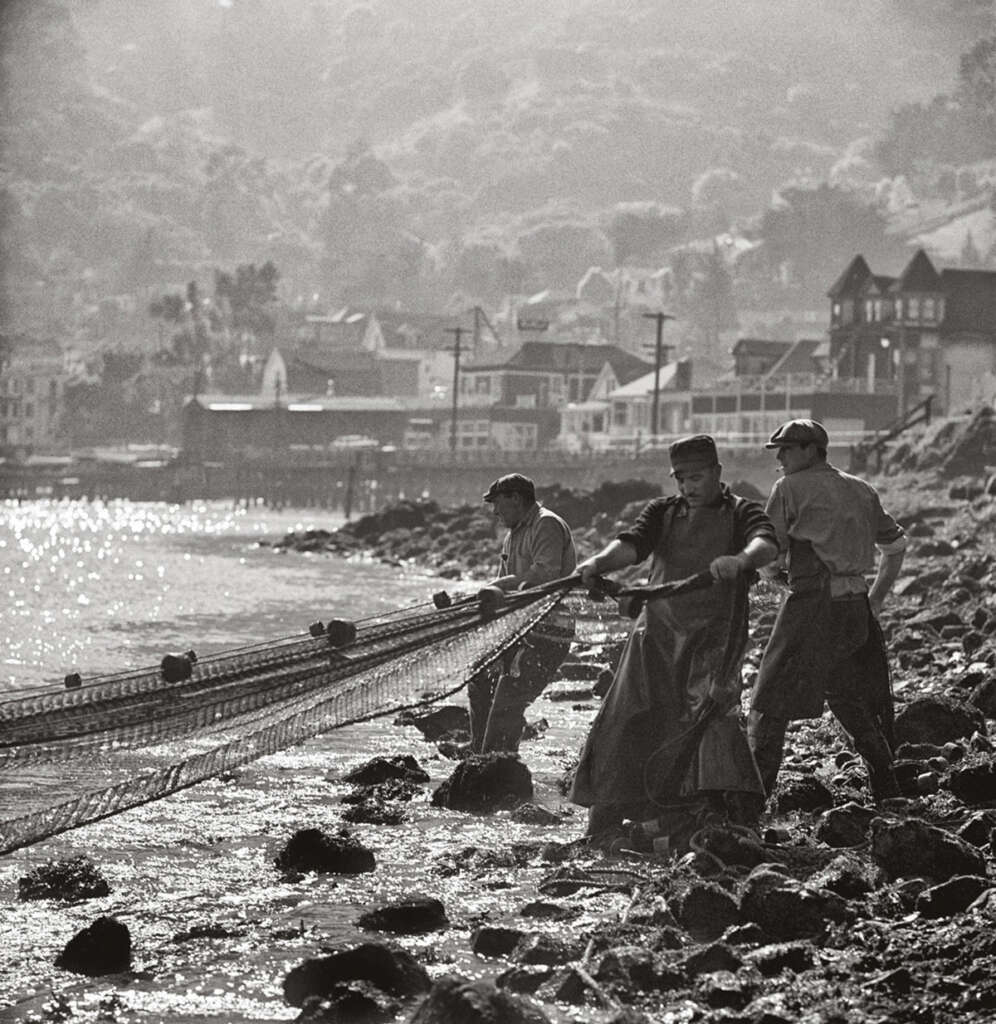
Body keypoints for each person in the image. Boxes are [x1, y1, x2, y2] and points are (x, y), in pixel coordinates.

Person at [570, 435, 778, 845]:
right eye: (681, 479)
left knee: (707, 722)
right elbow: (632, 545)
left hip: (714, 636)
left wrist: (740, 560)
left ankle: (713, 815)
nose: (687, 487)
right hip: (656, 633)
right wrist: (597, 563)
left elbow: (766, 544)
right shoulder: (663, 512)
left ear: (718, 474)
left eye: (696, 478)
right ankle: (614, 815)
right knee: (628, 717)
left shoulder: (742, 513)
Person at [748, 419, 908, 803]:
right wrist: (877, 598)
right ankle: (887, 786)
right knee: (846, 695)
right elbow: (896, 547)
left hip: (812, 609)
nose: (781, 458)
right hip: (855, 610)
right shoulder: (862, 489)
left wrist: (775, 576)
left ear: (810, 450)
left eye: (786, 449)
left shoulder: (788, 489)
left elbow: (769, 552)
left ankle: (751, 804)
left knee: (770, 701)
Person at [467, 473, 577, 754]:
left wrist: (495, 587)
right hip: (519, 628)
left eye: (498, 504)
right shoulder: (512, 536)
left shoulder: (546, 524)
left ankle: (497, 768)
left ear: (516, 499)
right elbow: (502, 588)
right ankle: (480, 755)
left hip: (548, 631)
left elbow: (544, 574)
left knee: (508, 700)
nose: (495, 512)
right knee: (480, 677)